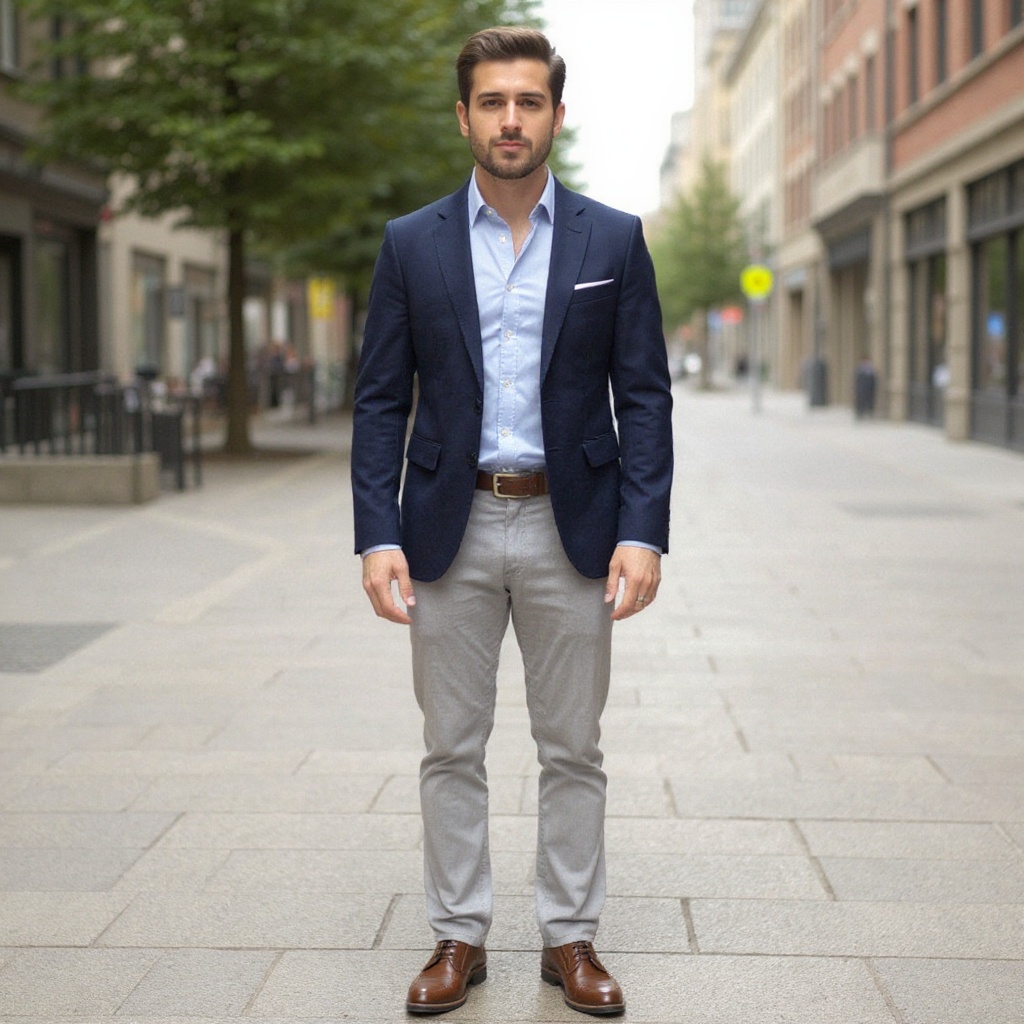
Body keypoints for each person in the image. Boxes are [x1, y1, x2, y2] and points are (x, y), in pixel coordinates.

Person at [351, 26, 673, 1017]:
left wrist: (642, 529)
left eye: (528, 102)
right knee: (451, 744)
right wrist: (376, 533)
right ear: (464, 116)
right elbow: (379, 401)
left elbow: (645, 395)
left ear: (555, 116)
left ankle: (569, 939)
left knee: (571, 746)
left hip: (568, 529)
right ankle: (459, 936)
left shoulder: (610, 239)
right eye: (492, 102)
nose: (509, 119)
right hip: (447, 524)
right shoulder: (411, 243)